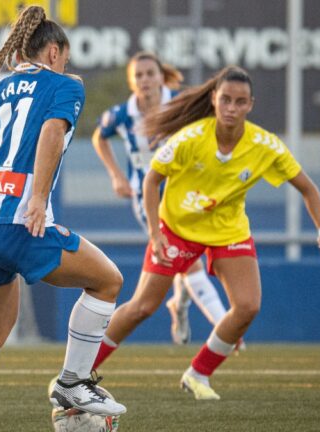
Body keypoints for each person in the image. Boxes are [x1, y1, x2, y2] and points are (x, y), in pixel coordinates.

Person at [92, 66, 320, 400]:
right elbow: (151, 180)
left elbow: (308, 188)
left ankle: (198, 374)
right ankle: (78, 373)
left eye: (240, 101)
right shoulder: (190, 138)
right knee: (142, 307)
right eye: (225, 100)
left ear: (251, 105)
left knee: (248, 306)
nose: (232, 108)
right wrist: (155, 233)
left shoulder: (265, 145)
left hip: (228, 232)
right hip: (177, 228)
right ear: (213, 99)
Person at [0, 6, 126, 432]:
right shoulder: (65, 85)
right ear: (55, 51)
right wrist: (38, 199)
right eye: (67, 56)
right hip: (19, 222)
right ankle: (73, 382)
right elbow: (51, 133)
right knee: (107, 280)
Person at [91, 51, 232, 349]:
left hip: (187, 193)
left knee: (187, 257)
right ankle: (227, 333)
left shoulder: (179, 102)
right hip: (149, 198)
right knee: (185, 262)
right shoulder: (122, 114)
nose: (145, 80)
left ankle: (179, 303)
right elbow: (98, 137)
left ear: (160, 76)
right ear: (131, 82)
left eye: (149, 73)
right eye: (138, 75)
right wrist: (116, 175)